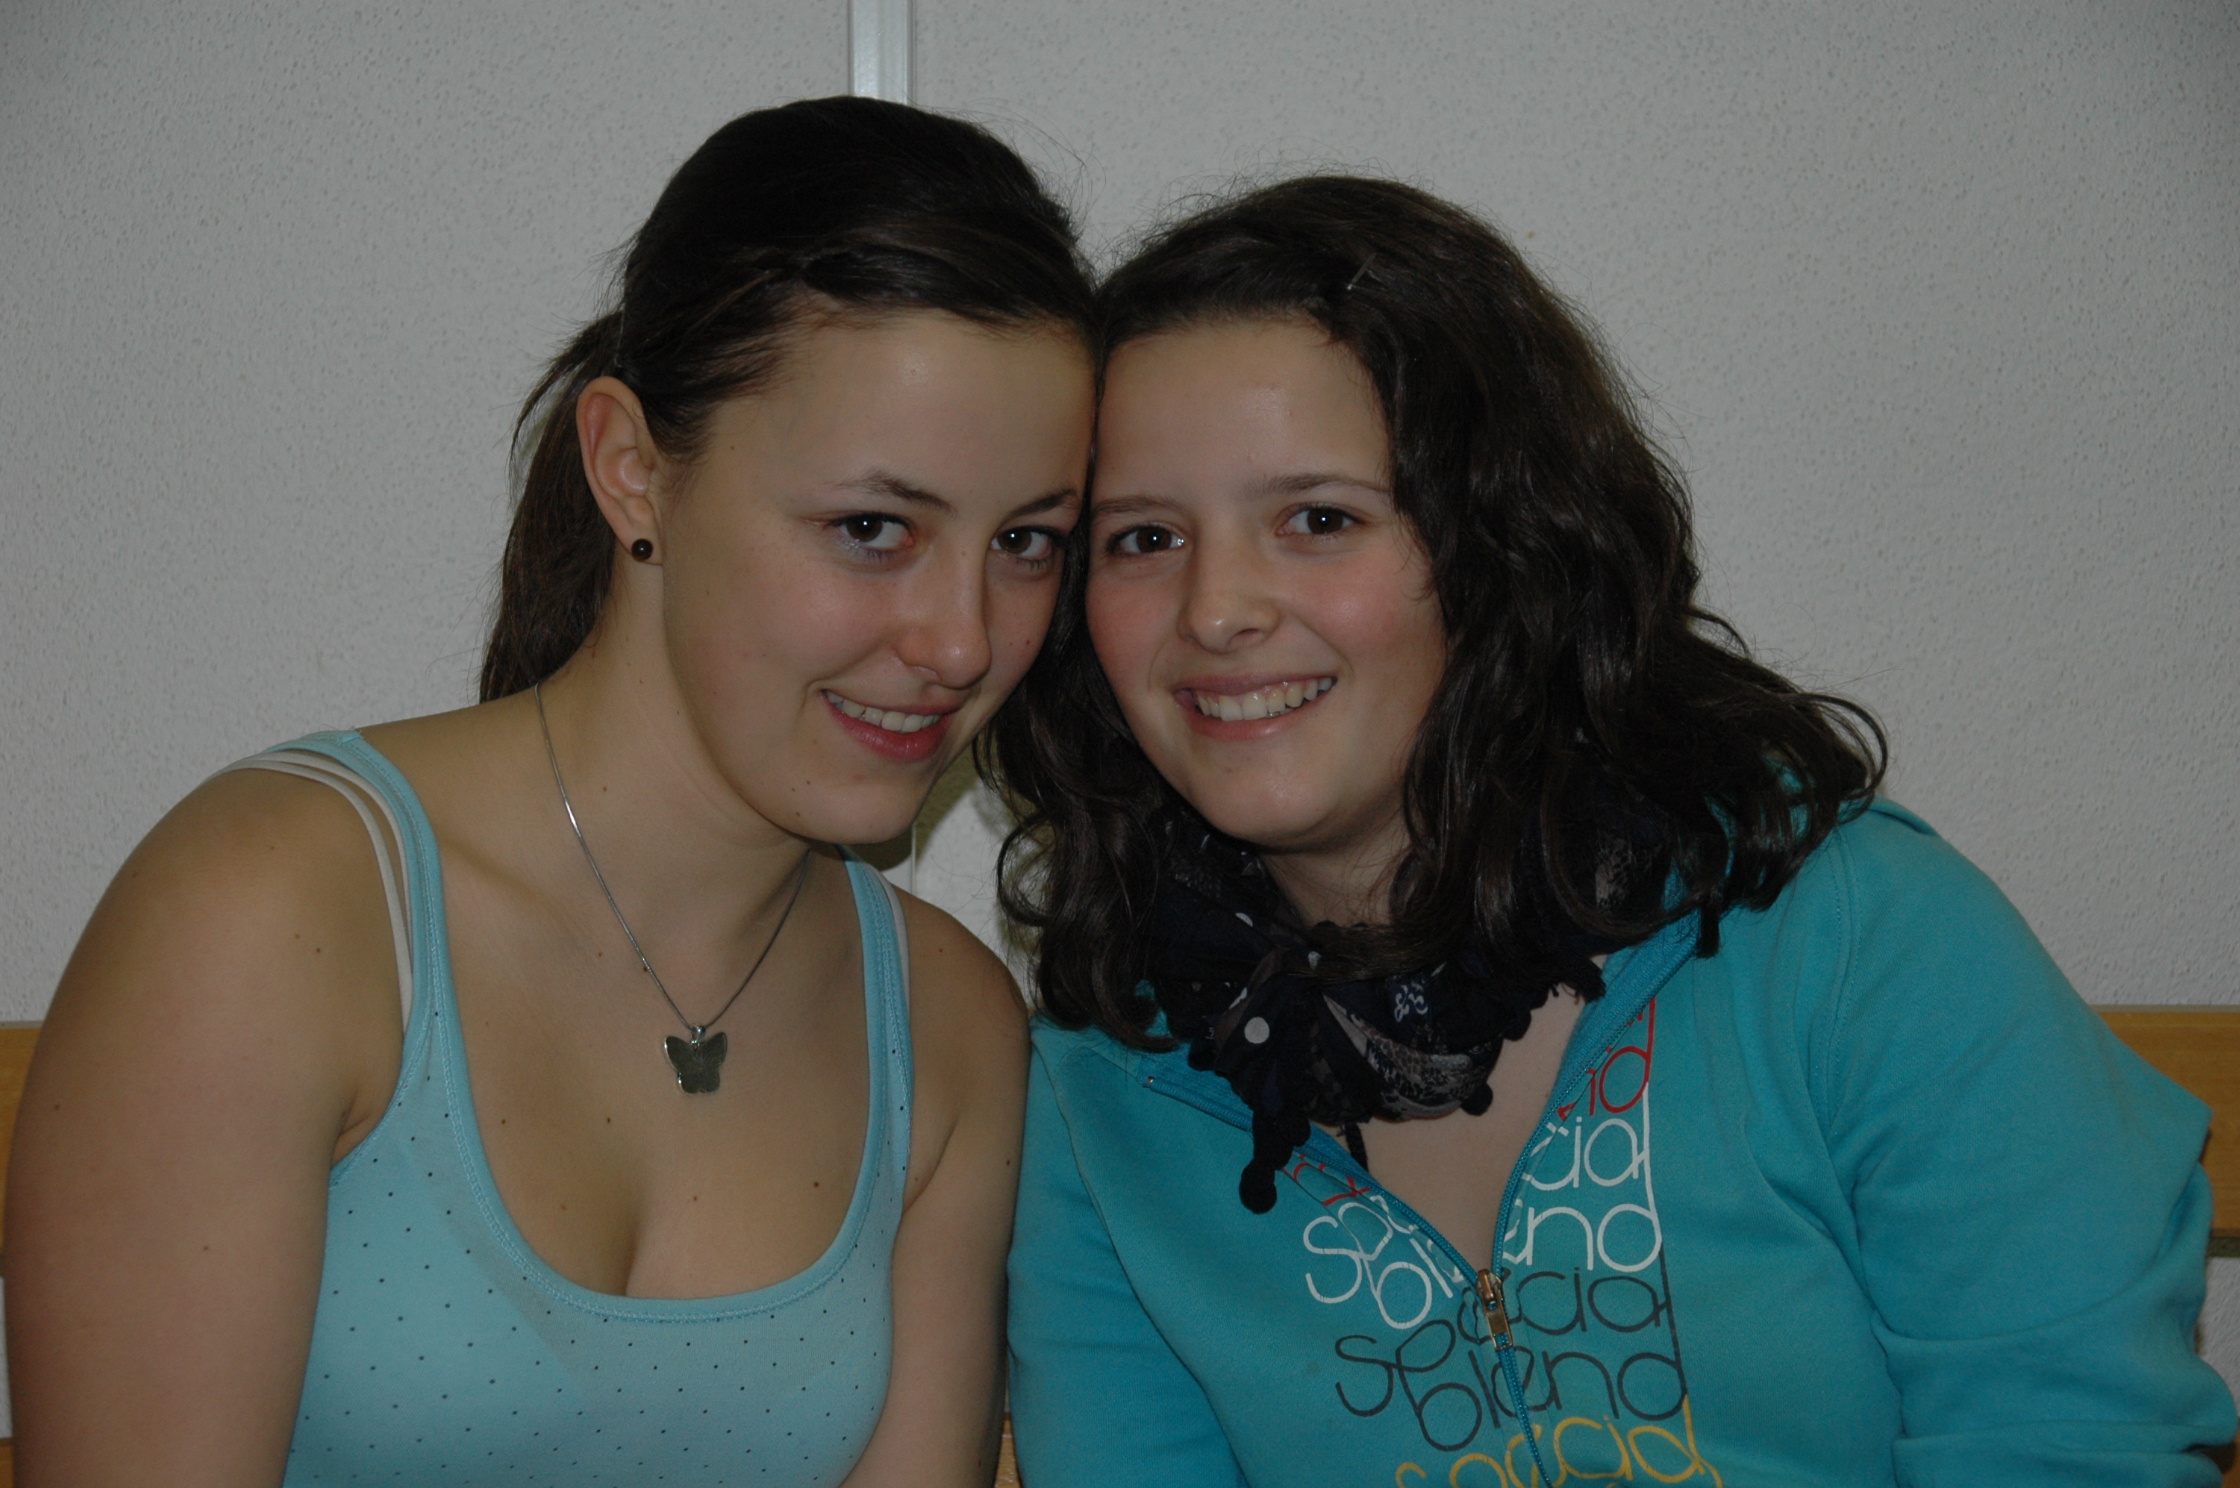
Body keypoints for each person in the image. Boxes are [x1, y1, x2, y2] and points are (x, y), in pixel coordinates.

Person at [993, 176, 2236, 1487]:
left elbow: (2072, 1446)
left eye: (1320, 519)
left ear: (1504, 544)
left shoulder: (1858, 939)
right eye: (1143, 537)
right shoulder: (1108, 1073)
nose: (1216, 608)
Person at [7, 97, 1094, 1487]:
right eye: (873, 528)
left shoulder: (947, 1027)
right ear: (632, 469)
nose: (961, 641)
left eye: (1027, 542)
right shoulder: (273, 913)